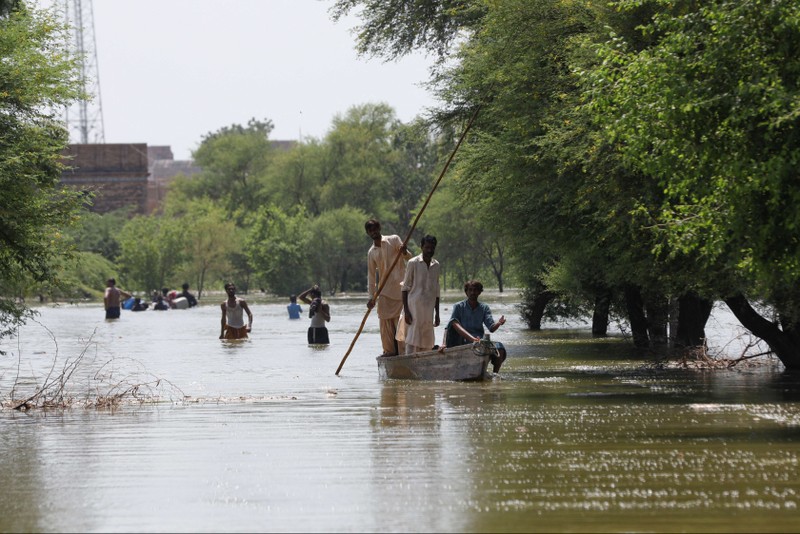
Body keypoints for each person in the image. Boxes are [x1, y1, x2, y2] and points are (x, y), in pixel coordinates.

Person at [365, 218, 413, 356]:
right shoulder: (371, 252)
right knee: (385, 322)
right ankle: (389, 351)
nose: (373, 232)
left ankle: (404, 352)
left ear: (379, 228)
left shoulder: (394, 239)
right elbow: (372, 277)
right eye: (370, 231)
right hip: (384, 291)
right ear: (368, 233)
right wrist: (371, 297)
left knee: (401, 321)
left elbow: (408, 257)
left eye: (375, 229)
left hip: (401, 290)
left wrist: (404, 251)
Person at [441, 280, 508, 373]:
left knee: (500, 348)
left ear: (479, 292)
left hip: (479, 342)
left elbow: (491, 328)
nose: (473, 292)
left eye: (475, 290)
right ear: (466, 292)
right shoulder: (458, 306)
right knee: (453, 323)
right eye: (470, 290)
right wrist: (444, 344)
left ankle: (495, 375)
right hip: (461, 342)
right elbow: (450, 326)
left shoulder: (484, 308)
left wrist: (499, 323)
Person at [398, 235, 441, 354]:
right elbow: (405, 288)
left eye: (432, 248)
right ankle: (409, 364)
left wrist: (437, 313)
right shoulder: (413, 263)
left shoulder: (436, 265)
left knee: (427, 340)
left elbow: (436, 291)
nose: (429, 250)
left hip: (428, 309)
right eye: (427, 247)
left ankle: (423, 365)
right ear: (421, 247)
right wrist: (406, 311)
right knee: (412, 339)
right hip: (414, 308)